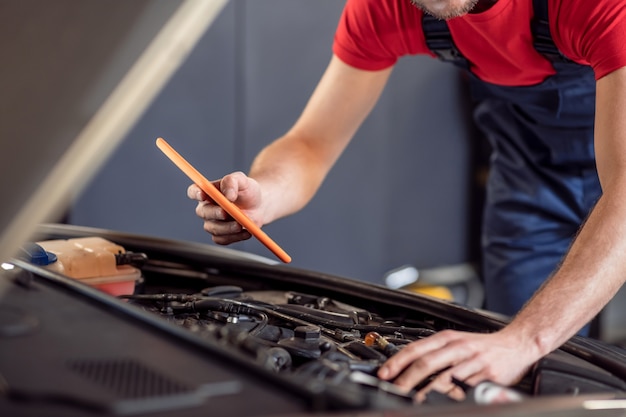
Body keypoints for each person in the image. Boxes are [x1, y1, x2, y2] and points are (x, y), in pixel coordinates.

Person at [188, 0, 626, 401]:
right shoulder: (387, 8)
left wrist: (527, 337)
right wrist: (262, 196)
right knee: (512, 379)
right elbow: (311, 143)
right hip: (530, 182)